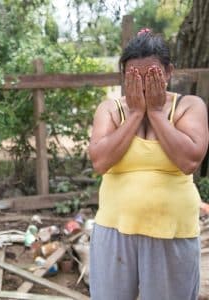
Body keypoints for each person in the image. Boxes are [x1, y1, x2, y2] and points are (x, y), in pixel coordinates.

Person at [88, 28, 209, 300]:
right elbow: (100, 161)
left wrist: (155, 113)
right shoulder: (110, 109)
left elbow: (189, 160)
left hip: (172, 232)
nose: (143, 85)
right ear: (123, 76)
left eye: (152, 76)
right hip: (114, 229)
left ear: (168, 72)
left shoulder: (190, 106)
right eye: (134, 77)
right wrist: (135, 115)